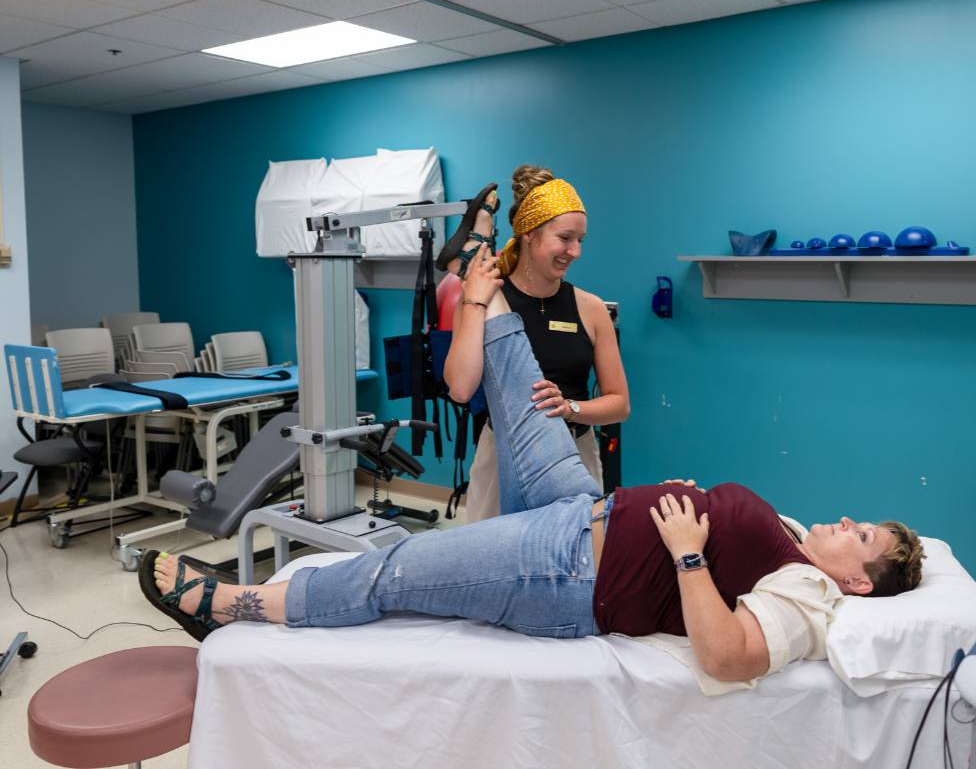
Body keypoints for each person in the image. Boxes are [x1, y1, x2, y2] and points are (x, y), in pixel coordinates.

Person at [141, 270, 924, 692]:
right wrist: (700, 506)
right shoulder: (790, 544)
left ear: (856, 584)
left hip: (567, 572)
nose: (849, 522)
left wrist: (688, 551)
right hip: (584, 507)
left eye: (863, 538)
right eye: (861, 521)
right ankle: (483, 288)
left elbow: (728, 658)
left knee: (397, 569)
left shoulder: (811, 598)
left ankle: (235, 605)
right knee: (516, 377)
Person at [439, 166, 629, 522]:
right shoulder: (484, 298)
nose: (575, 251)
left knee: (572, 563)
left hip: (574, 452)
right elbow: (461, 389)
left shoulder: (590, 308)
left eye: (580, 240)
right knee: (494, 564)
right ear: (529, 234)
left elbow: (619, 404)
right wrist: (473, 301)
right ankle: (469, 261)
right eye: (565, 238)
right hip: (502, 454)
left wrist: (570, 407)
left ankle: (468, 255)